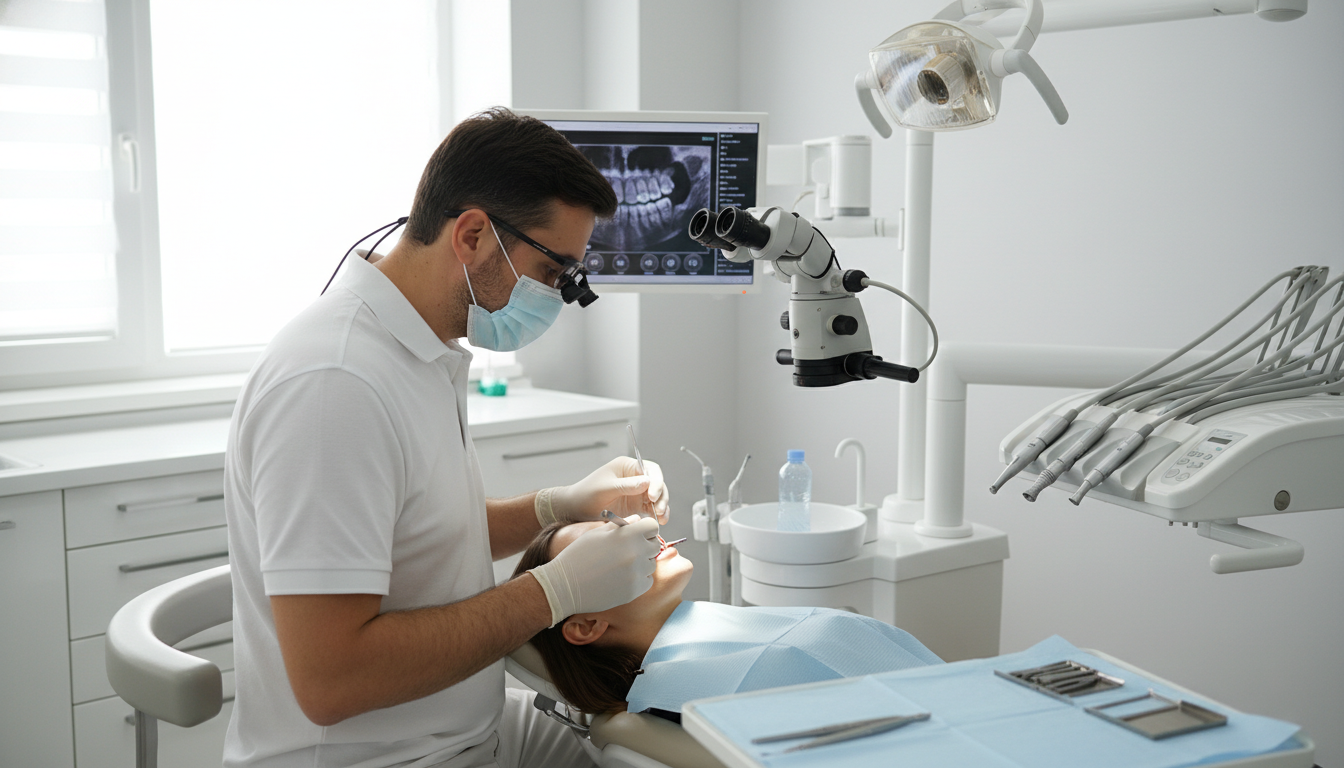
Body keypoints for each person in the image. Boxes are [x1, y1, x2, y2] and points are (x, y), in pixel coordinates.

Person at [223, 108, 669, 768]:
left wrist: (559, 506)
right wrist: (554, 592)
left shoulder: (421, 347)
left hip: (469, 726)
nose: (557, 295)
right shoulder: (336, 385)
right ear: (471, 235)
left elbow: (418, 538)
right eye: (555, 273)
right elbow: (332, 679)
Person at [511, 521, 944, 717]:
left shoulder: (720, 633)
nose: (640, 530)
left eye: (619, 525)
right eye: (604, 547)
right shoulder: (685, 702)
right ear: (586, 627)